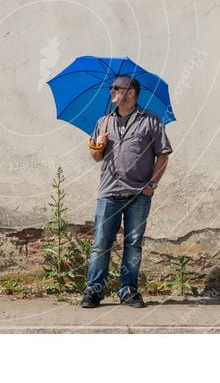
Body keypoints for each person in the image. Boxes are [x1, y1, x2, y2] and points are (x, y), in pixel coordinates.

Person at [81, 75, 172, 308]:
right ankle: (94, 291)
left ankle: (128, 290)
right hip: (109, 192)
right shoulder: (104, 121)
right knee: (101, 243)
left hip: (138, 194)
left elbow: (163, 155)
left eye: (116, 88)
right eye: (111, 88)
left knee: (133, 243)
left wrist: (152, 185)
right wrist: (97, 146)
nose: (111, 91)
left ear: (130, 92)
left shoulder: (151, 120)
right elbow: (96, 158)